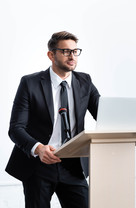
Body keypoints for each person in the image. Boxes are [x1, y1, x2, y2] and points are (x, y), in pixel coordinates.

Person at [5, 31, 100, 208]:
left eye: (75, 51)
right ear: (51, 54)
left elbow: (104, 115)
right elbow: (16, 128)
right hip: (39, 164)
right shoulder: (30, 83)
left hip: (73, 165)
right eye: (65, 51)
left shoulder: (85, 81)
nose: (72, 56)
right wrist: (38, 148)